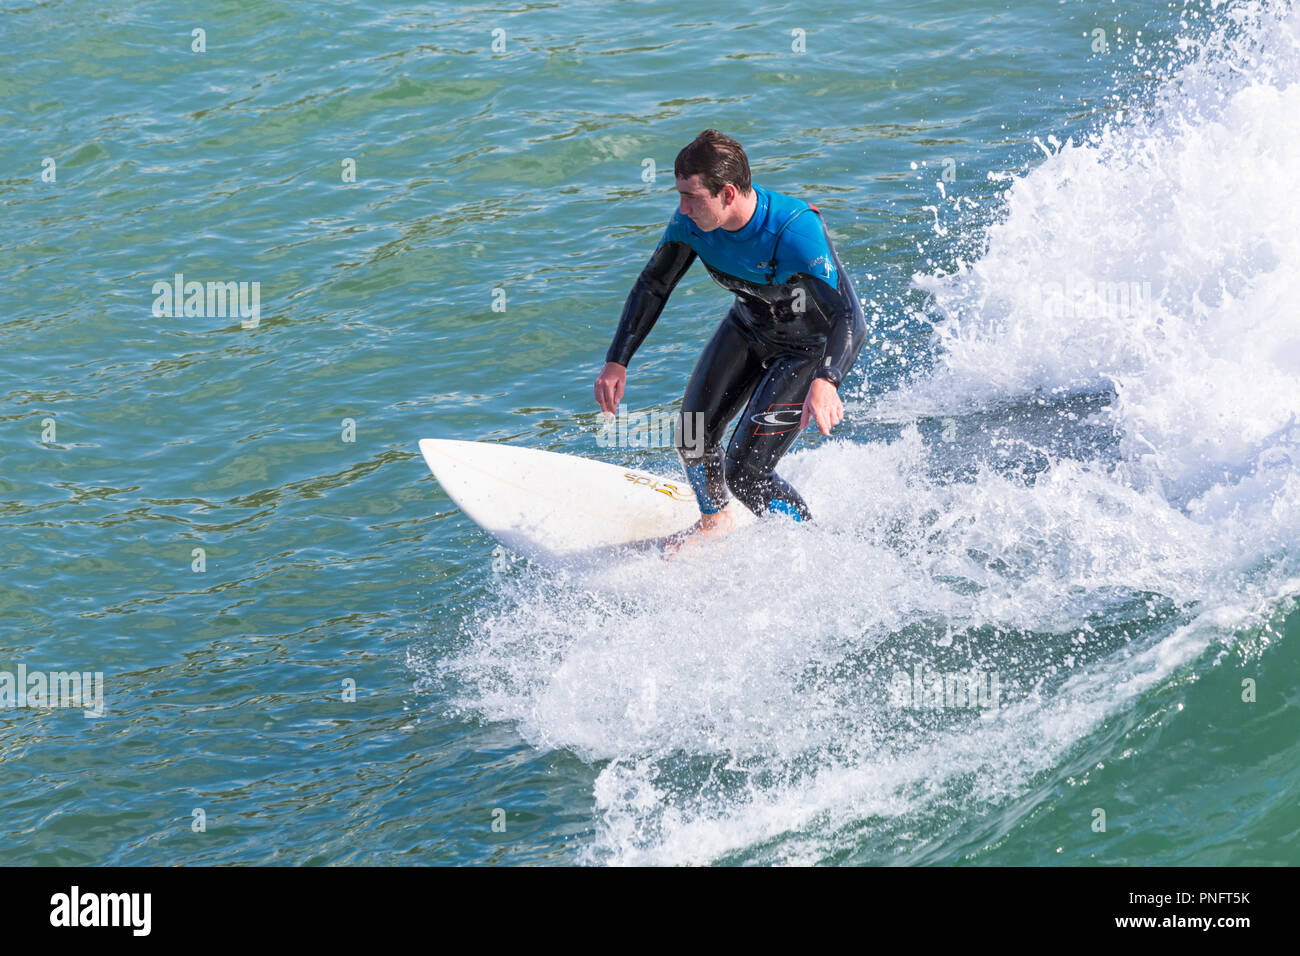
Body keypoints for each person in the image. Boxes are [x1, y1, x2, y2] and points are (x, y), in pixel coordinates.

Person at [594, 129, 866, 552]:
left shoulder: (794, 231)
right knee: (692, 435)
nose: (681, 207)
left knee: (746, 472)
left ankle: (812, 547)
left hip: (805, 349)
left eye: (691, 195)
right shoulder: (692, 225)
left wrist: (828, 379)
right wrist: (617, 360)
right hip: (748, 328)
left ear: (727, 192)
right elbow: (653, 285)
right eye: (679, 194)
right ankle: (715, 520)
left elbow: (849, 316)